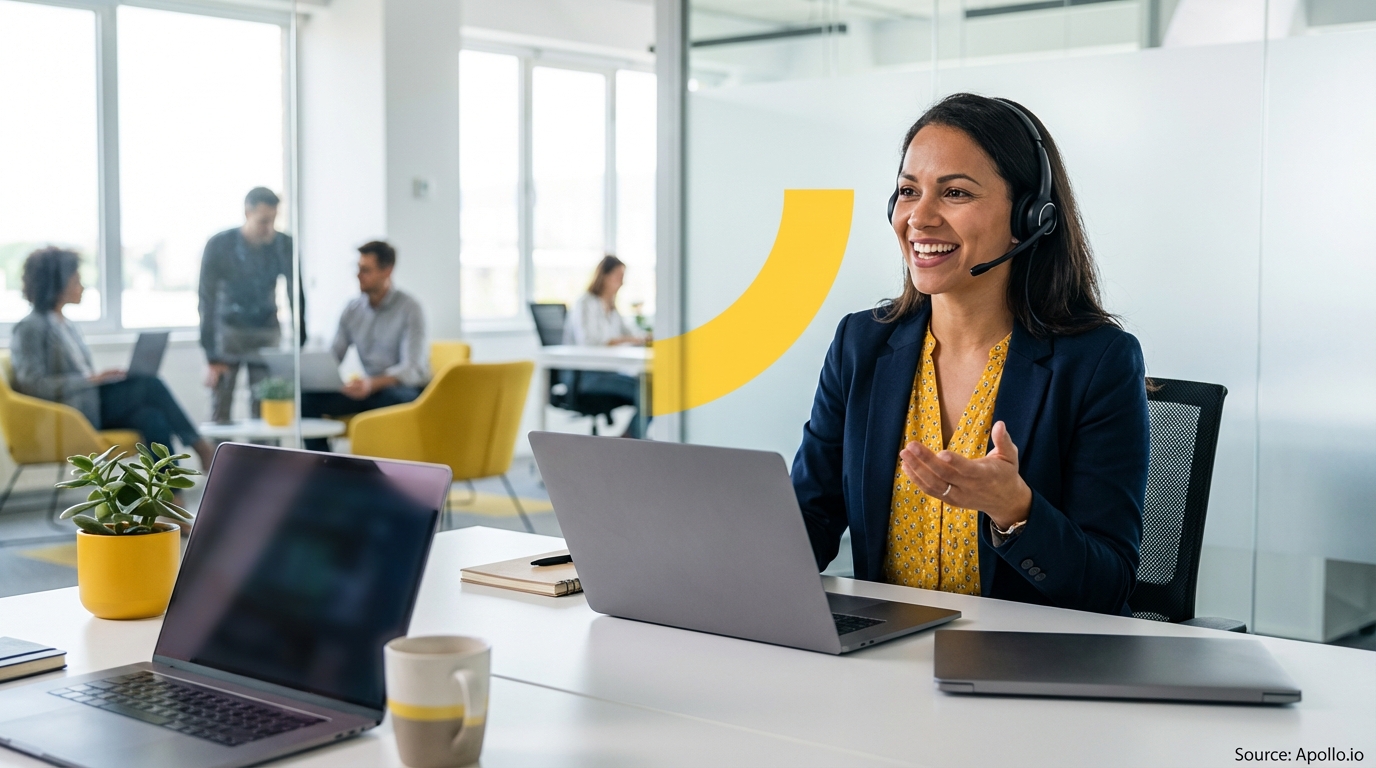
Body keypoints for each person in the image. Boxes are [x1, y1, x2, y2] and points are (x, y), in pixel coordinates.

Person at [790, 93, 1148, 616]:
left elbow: (1107, 588)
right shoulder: (860, 345)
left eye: (955, 192)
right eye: (908, 191)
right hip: (882, 664)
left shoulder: (1097, 363)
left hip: (1022, 671)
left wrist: (1015, 510)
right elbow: (811, 519)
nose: (919, 217)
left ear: (1029, 217)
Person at [10, 247, 215, 470]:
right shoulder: (30, 327)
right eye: (76, 280)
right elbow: (33, 384)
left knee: (152, 418)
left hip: (91, 403)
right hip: (70, 416)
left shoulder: (66, 325)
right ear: (56, 285)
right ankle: (201, 446)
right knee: (149, 385)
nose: (82, 286)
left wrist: (100, 379)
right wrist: (90, 380)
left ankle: (173, 496)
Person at [300, 241, 428, 451]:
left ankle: (380, 470)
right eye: (357, 269)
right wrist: (319, 375)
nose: (358, 275)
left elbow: (412, 368)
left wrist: (370, 384)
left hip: (401, 389)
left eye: (366, 270)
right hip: (367, 389)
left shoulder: (410, 309)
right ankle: (322, 465)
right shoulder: (352, 310)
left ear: (387, 271)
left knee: (393, 399)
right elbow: (334, 356)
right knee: (307, 401)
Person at [198, 187, 303, 423]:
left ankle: (263, 460)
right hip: (228, 334)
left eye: (273, 220)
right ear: (248, 213)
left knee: (266, 409)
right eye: (263, 220)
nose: (269, 227)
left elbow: (296, 294)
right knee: (220, 410)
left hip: (266, 332)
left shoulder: (283, 244)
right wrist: (210, 353)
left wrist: (300, 342)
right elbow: (206, 299)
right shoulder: (219, 244)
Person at [563, 255, 650, 438]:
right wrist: (622, 340)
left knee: (653, 390)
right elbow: (589, 341)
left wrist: (642, 338)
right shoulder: (584, 304)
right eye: (618, 276)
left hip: (608, 372)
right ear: (604, 276)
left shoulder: (611, 306)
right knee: (647, 394)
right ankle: (628, 444)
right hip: (586, 376)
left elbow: (629, 333)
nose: (622, 282)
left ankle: (627, 441)